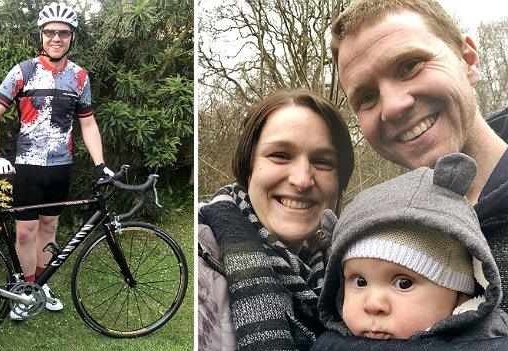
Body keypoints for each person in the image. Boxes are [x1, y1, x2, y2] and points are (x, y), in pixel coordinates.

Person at [330, 0, 508, 311]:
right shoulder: (373, 234)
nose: (393, 106)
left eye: (410, 65)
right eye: (367, 97)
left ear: (468, 60)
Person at [0, 2, 113, 320]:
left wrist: (99, 164)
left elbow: (88, 123)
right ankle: (24, 289)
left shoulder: (79, 78)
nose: (57, 38)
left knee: (49, 226)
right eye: (50, 32)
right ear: (42, 36)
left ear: (71, 38)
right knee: (26, 231)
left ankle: (39, 285)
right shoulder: (23, 71)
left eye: (63, 33)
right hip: (27, 166)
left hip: (60, 166)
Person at [198, 89, 355, 350]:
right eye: (280, 155)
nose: (302, 179)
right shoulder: (203, 259)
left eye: (323, 161)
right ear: (248, 169)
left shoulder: (349, 273)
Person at [310, 153, 508, 350]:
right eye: (360, 281)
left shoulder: (488, 342)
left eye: (404, 283)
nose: (372, 304)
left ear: (461, 298)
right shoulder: (330, 342)